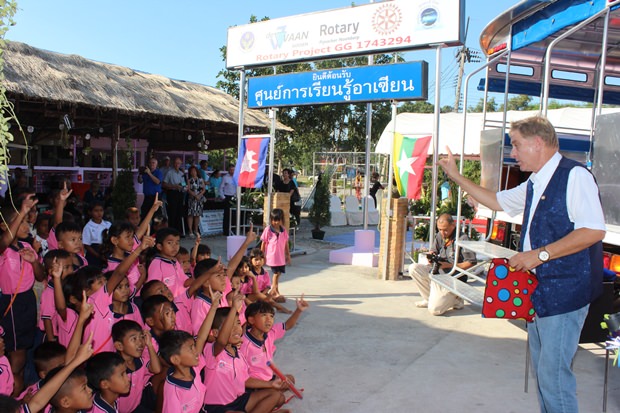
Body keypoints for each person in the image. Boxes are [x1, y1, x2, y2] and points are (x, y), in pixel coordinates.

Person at [438, 116, 605, 413]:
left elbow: (593, 230)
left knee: (553, 376)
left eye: (516, 145)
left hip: (565, 293)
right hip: (540, 292)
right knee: (545, 373)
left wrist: (539, 255)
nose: (512, 153)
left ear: (537, 142)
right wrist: (455, 175)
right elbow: (496, 201)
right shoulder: (536, 181)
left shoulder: (575, 176)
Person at [0, 195, 46, 395]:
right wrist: (23, 210)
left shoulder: (27, 247)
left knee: (22, 353)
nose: (27, 224)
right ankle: (10, 396)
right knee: (16, 360)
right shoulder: (3, 249)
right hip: (12, 304)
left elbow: (40, 276)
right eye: (21, 220)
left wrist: (34, 261)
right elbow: (6, 240)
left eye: (27, 220)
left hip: (28, 301)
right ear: (4, 226)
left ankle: (14, 393)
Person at [408, 214, 476, 316]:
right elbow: (434, 250)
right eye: (440, 229)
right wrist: (431, 256)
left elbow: (471, 263)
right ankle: (428, 298)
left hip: (454, 279)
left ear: (453, 225)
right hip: (439, 273)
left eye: (445, 230)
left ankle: (457, 299)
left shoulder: (463, 238)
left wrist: (450, 265)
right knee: (414, 268)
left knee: (435, 310)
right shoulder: (440, 235)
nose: (442, 233)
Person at [260, 209, 290, 303]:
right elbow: (264, 243)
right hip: (272, 257)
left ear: (282, 220)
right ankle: (274, 290)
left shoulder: (283, 230)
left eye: (278, 220)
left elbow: (286, 243)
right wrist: (262, 255)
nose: (275, 222)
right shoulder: (268, 230)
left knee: (279, 273)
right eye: (273, 220)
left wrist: (287, 254)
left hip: (280, 257)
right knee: (276, 273)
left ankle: (275, 290)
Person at [162, 157, 186, 234]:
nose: (177, 165)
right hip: (172, 193)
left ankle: (178, 231)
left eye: (178, 163)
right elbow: (164, 184)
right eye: (175, 163)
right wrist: (174, 186)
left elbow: (183, 184)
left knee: (179, 213)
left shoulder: (181, 173)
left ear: (180, 164)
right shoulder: (169, 172)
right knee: (172, 212)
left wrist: (184, 187)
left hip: (180, 193)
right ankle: (171, 231)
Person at [185, 165, 205, 238]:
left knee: (197, 215)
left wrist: (199, 195)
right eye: (191, 171)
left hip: (199, 199)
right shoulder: (189, 180)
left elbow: (203, 189)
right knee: (191, 214)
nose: (193, 172)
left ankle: (196, 230)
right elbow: (189, 189)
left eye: (194, 171)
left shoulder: (200, 179)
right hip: (192, 198)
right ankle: (190, 231)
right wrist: (194, 195)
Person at [219, 164, 237, 236]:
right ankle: (226, 231)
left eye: (233, 170)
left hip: (234, 197)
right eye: (231, 170)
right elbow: (221, 188)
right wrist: (223, 197)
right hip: (227, 196)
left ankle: (234, 230)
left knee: (234, 215)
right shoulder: (225, 178)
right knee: (227, 215)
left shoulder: (236, 177)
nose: (232, 171)